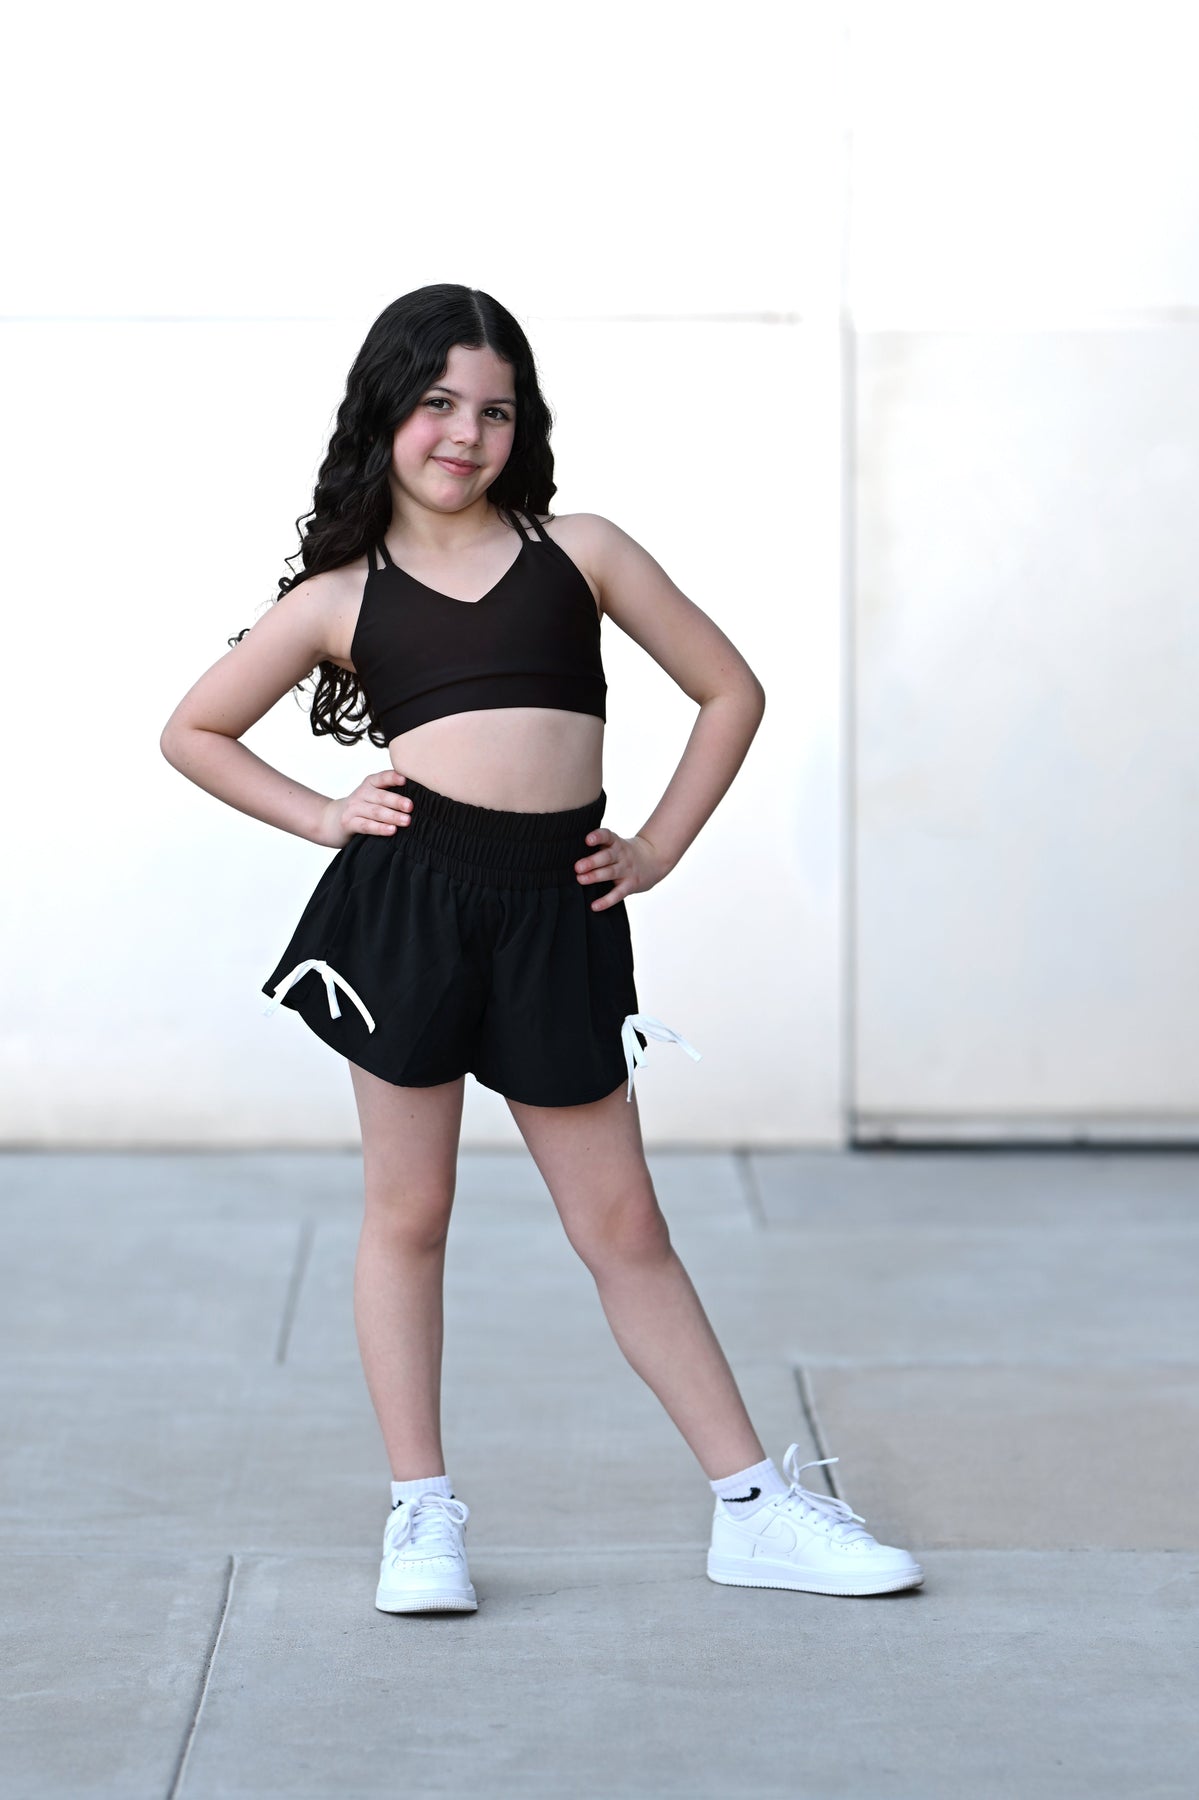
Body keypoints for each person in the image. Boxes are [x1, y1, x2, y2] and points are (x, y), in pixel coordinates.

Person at [160, 283, 923, 1614]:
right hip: (410, 907)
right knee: (410, 1212)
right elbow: (193, 730)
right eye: (438, 403)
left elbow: (731, 690)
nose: (466, 433)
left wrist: (659, 847)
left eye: (496, 411)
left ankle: (753, 1509)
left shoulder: (585, 551)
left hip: (558, 912)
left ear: (525, 427)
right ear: (385, 412)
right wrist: (326, 815)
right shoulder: (340, 598)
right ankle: (420, 1517)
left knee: (624, 1221)